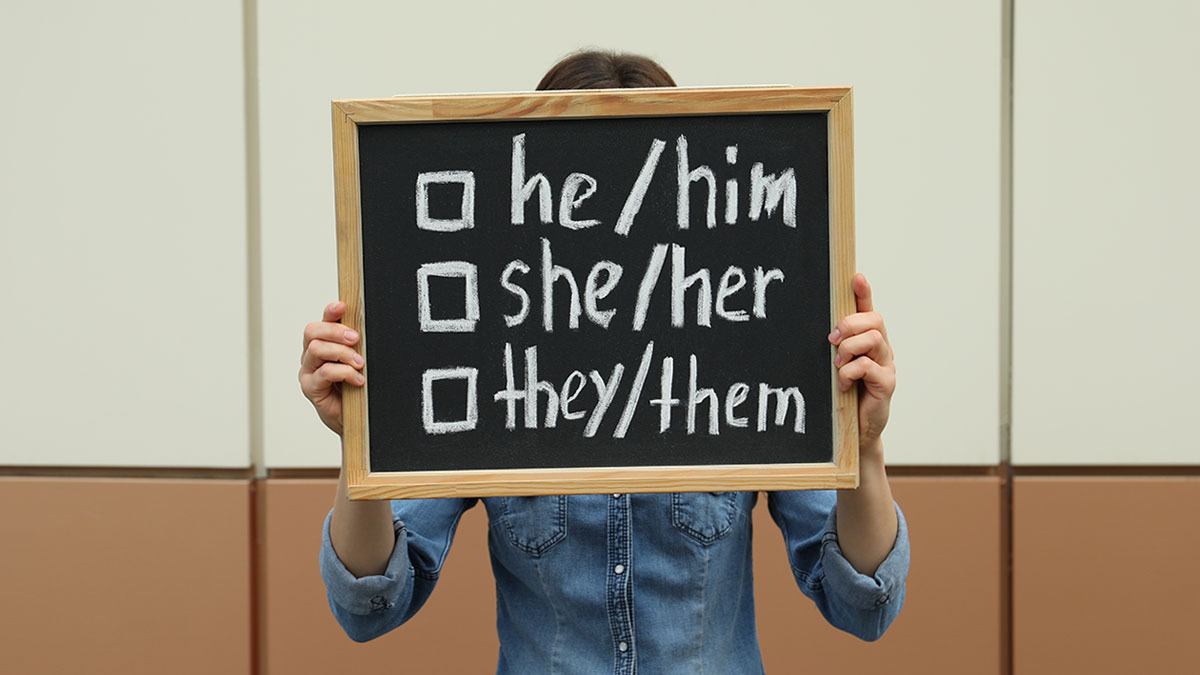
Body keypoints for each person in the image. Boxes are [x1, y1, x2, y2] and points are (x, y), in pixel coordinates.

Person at [300, 50, 907, 674]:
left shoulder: (742, 353)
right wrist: (361, 442)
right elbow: (370, 603)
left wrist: (863, 445)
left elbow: (862, 604)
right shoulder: (492, 370)